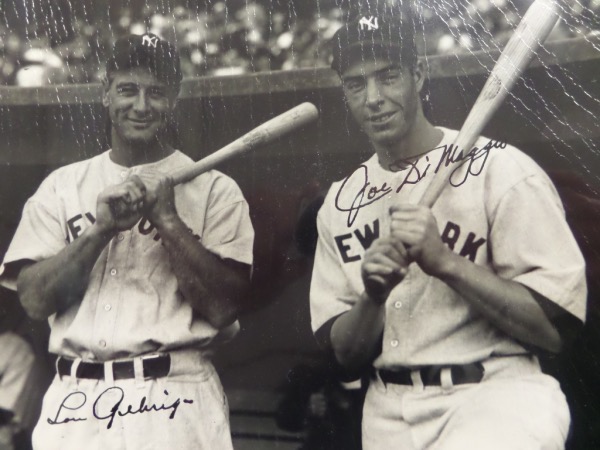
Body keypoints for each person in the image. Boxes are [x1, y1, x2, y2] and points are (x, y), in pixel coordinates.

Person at [309, 12, 587, 450]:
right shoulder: (340, 203)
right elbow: (344, 360)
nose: (374, 98)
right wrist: (372, 296)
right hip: (388, 410)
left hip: (495, 398)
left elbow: (553, 334)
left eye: (388, 76)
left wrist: (445, 263)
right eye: (356, 84)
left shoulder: (500, 168)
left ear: (419, 74)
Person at [0, 33, 254, 449]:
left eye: (155, 92)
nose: (140, 105)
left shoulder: (215, 190)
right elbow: (32, 300)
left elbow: (225, 307)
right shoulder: (62, 186)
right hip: (76, 401)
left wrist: (168, 221)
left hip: (173, 397)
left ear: (172, 100)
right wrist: (100, 231)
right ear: (105, 95)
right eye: (127, 90)